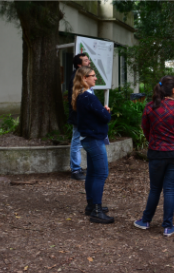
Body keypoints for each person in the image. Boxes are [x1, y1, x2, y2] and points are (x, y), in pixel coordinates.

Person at [134, 76, 174, 237]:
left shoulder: (150, 107)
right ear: (173, 90)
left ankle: (145, 220)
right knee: (170, 189)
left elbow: (146, 129)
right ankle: (167, 225)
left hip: (156, 152)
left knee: (155, 188)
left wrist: (155, 141)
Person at [72, 66, 114, 224]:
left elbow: (93, 115)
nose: (95, 78)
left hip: (88, 138)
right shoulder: (88, 97)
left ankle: (91, 205)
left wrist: (102, 112)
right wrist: (106, 111)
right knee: (102, 173)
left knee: (92, 172)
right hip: (94, 139)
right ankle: (96, 210)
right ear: (84, 78)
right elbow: (104, 117)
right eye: (93, 76)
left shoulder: (82, 96)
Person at [67, 53, 91, 181]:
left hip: (83, 115)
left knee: (81, 141)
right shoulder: (76, 77)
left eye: (88, 60)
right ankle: (75, 170)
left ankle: (78, 168)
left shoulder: (82, 76)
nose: (89, 62)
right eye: (86, 60)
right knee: (76, 141)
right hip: (78, 115)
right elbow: (75, 99)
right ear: (78, 64)